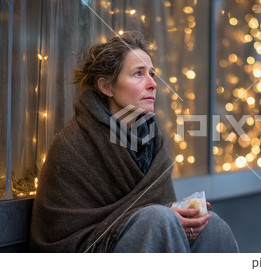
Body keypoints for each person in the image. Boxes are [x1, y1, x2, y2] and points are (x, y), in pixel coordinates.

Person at [30, 31, 239, 253]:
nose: (152, 84)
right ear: (107, 87)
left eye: (152, 74)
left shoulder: (151, 140)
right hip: (89, 250)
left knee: (211, 225)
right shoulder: (73, 146)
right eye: (138, 74)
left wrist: (182, 214)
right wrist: (164, 214)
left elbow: (155, 209)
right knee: (159, 219)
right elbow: (66, 237)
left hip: (144, 236)